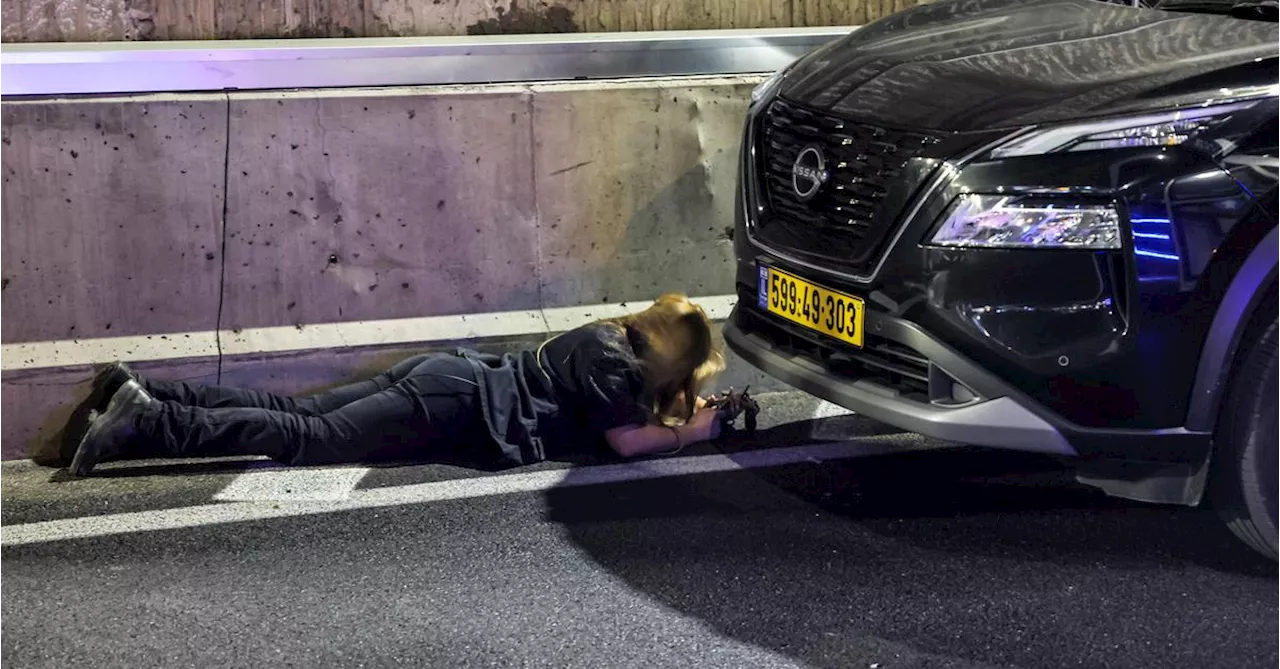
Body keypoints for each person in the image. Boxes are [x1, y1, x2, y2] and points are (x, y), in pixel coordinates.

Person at [66, 293, 729, 477]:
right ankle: (146, 421)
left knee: (294, 411)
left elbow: (627, 414)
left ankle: (140, 390)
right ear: (676, 359)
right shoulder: (616, 370)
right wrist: (693, 431)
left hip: (450, 377)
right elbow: (627, 442)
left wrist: (677, 411)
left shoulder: (605, 336)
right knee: (310, 436)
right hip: (456, 402)